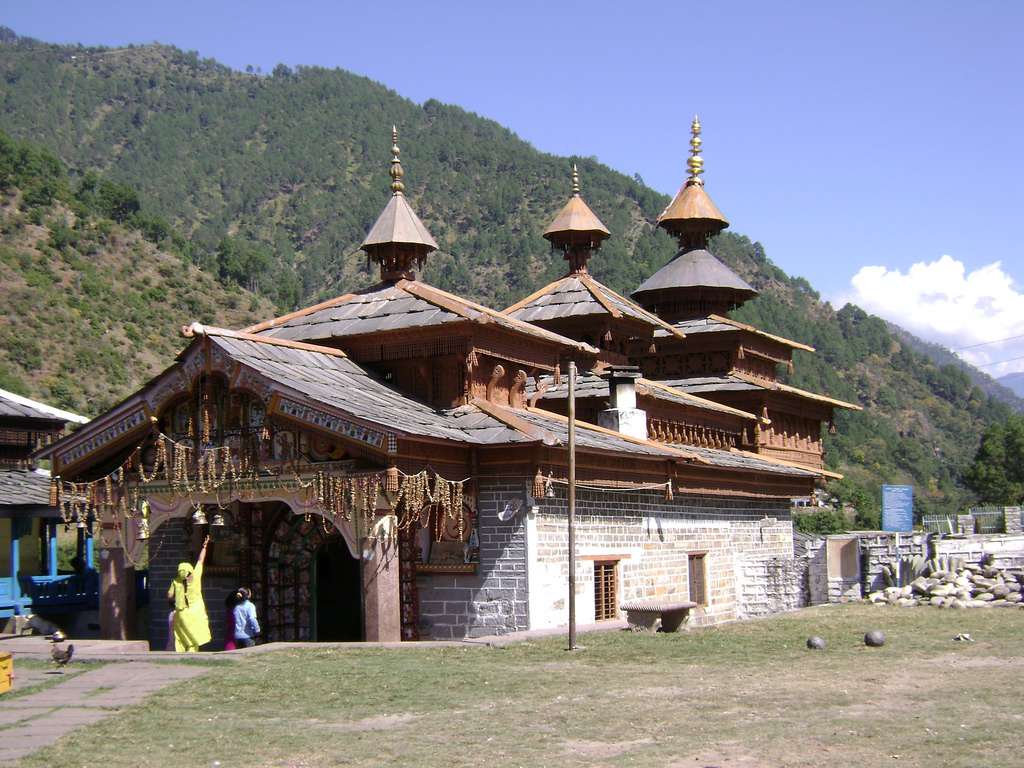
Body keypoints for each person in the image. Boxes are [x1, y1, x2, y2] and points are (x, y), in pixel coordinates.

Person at [167, 535, 212, 652]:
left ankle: (184, 653)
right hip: (196, 613)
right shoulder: (195, 576)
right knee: (194, 638)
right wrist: (205, 546)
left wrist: (177, 600)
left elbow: (169, 596)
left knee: (183, 638)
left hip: (182, 614)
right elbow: (200, 560)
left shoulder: (176, 581)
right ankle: (192, 654)